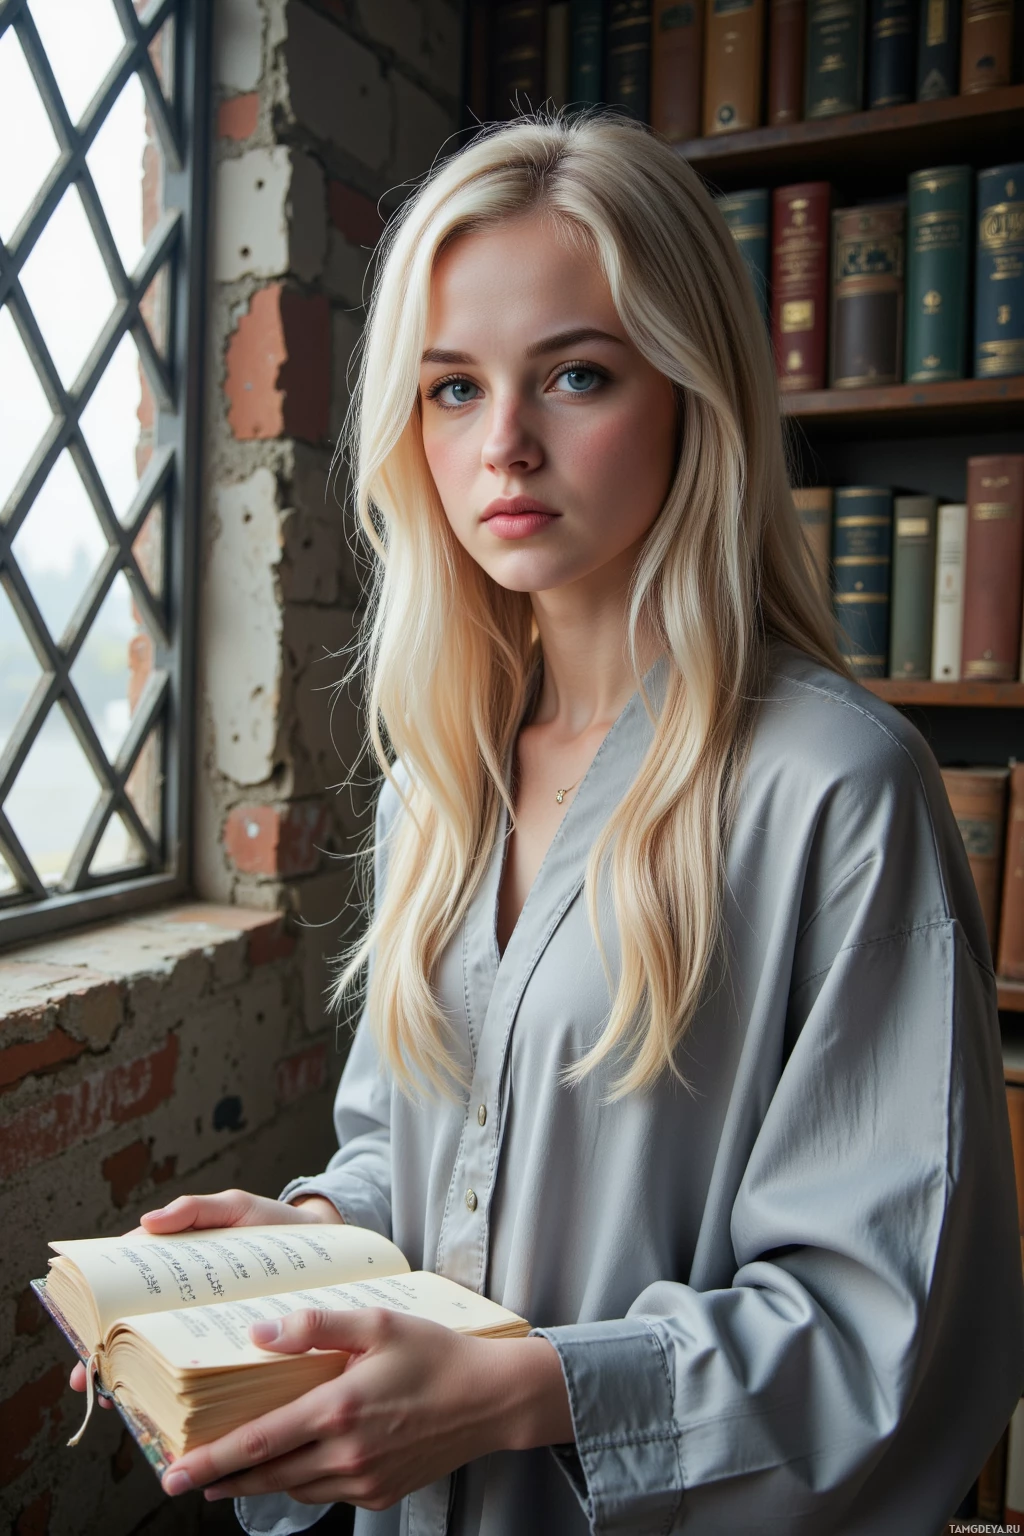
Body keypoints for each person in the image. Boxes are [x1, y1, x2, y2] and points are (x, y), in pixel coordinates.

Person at [72, 112, 1023, 1533]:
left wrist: (521, 1392)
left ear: (690, 392)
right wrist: (319, 1237)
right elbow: (419, 1153)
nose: (504, 444)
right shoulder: (437, 785)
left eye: (576, 374)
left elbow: (874, 1322)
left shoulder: (833, 789)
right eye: (452, 388)